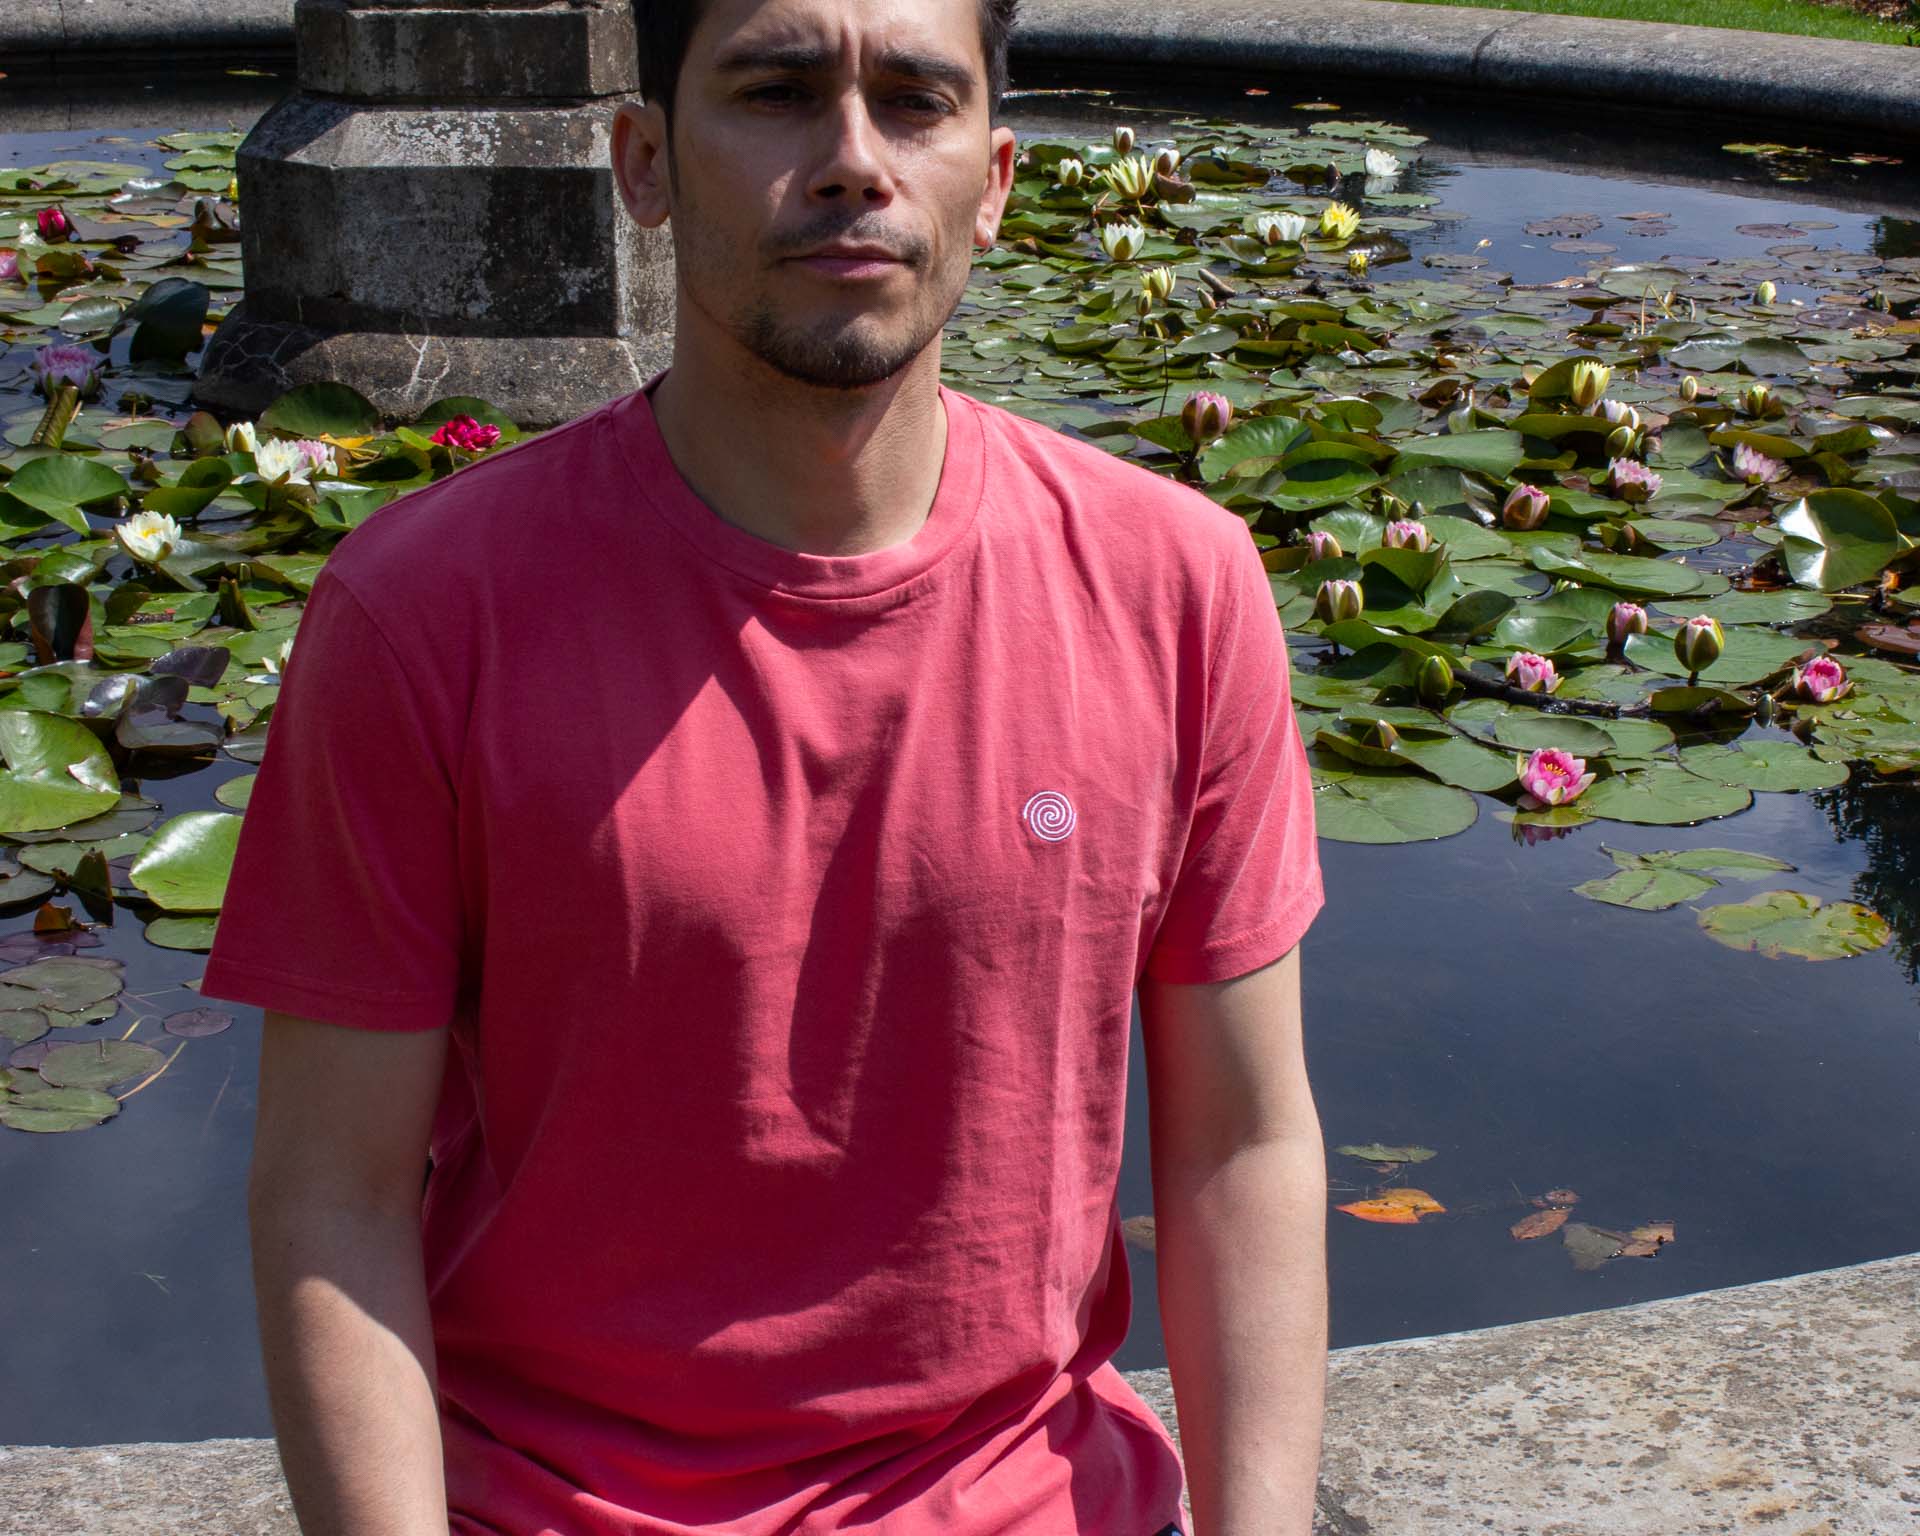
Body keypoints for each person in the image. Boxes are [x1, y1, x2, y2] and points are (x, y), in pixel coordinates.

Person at [200, 0, 1329, 1530]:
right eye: (778, 91)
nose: (854, 158)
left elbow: (1242, 1145)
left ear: (993, 180)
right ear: (644, 161)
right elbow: (332, 1195)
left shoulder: (1175, 588)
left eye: (914, 100)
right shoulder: (424, 616)